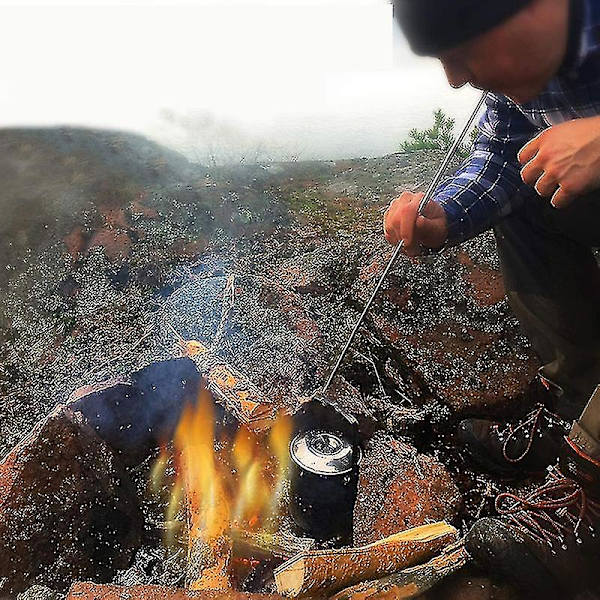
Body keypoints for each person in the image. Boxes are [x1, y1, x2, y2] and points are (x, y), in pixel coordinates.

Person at [387, 0, 600, 595]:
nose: (454, 79)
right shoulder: (522, 77)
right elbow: (500, 159)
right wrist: (440, 218)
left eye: (461, 52)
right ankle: (577, 414)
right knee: (532, 187)